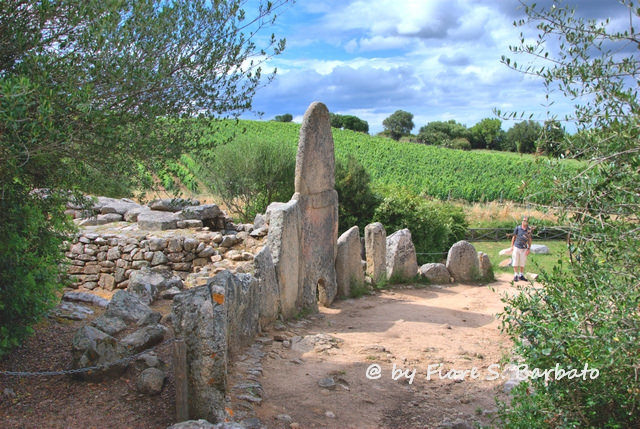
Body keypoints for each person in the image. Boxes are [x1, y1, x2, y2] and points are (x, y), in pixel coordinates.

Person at [511, 215, 532, 281]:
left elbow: (529, 239)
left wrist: (529, 248)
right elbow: (514, 237)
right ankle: (515, 274)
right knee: (515, 261)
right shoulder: (518, 228)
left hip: (524, 248)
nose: (525, 222)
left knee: (522, 261)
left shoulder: (529, 230)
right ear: (522, 221)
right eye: (524, 220)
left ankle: (521, 274)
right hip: (517, 246)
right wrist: (512, 246)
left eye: (526, 221)